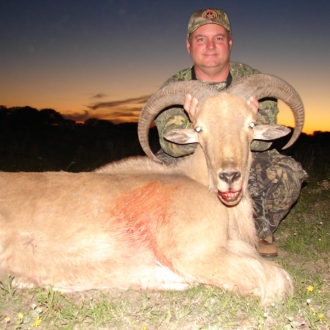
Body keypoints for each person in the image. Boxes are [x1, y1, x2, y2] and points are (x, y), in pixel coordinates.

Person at [155, 8, 308, 258]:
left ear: (229, 42)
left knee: (286, 174)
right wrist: (199, 126)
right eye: (201, 38)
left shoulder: (254, 81)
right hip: (194, 155)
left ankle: (253, 234)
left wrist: (247, 121)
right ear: (189, 45)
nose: (210, 46)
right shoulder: (175, 87)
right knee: (154, 178)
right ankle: (182, 230)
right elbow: (170, 142)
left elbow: (263, 143)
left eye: (218, 38)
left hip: (242, 151)